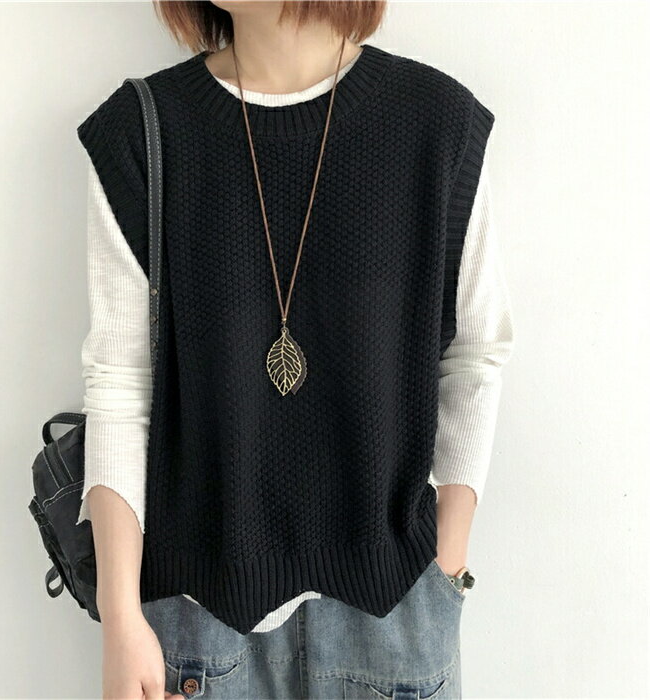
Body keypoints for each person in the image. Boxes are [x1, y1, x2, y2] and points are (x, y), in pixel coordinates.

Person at [75, 2, 514, 698]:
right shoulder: (143, 131)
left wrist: (446, 563)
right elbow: (120, 383)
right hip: (196, 622)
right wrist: (120, 616)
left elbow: (475, 352)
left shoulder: (436, 123)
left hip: (396, 606)